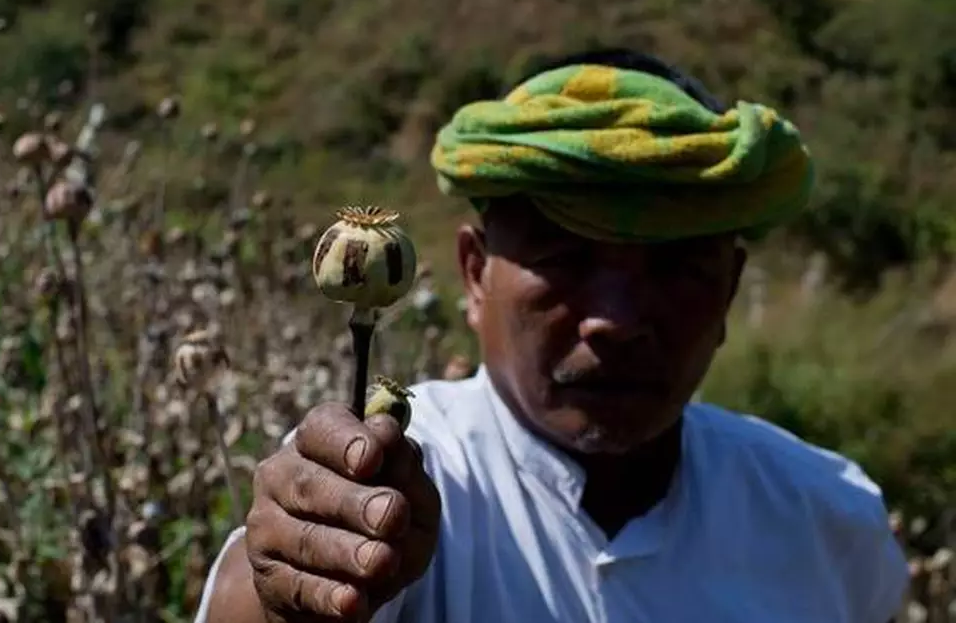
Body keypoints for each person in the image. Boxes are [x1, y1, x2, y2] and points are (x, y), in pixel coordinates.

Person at [191, 48, 910, 623]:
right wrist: (283, 586)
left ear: (728, 290)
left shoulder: (827, 517)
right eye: (566, 258)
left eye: (674, 267)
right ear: (475, 275)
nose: (616, 321)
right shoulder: (398, 480)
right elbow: (266, 585)